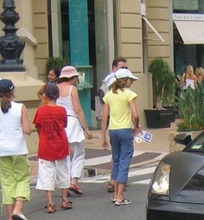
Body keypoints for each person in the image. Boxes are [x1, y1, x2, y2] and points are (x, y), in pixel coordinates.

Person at [0, 79, 33, 220]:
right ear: (12, 91)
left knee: (7, 183)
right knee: (23, 179)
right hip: (18, 149)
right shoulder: (20, 107)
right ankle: (18, 209)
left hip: (2, 151)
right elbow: (28, 130)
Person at [101, 68, 141, 206]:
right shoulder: (129, 94)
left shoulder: (109, 95)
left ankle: (115, 194)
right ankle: (120, 196)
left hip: (113, 130)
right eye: (131, 80)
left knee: (116, 161)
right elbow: (135, 114)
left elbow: (104, 117)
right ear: (126, 81)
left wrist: (103, 137)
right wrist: (137, 126)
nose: (132, 82)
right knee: (125, 161)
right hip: (125, 130)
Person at [34, 84, 72, 213]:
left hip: (46, 144)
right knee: (64, 171)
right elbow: (64, 125)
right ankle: (64, 199)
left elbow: (38, 127)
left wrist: (42, 137)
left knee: (46, 173)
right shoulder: (62, 110)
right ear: (58, 96)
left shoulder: (41, 110)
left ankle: (50, 203)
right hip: (61, 143)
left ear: (45, 95)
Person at [56, 65, 92, 195]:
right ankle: (74, 181)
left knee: (63, 155)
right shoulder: (72, 89)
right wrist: (86, 128)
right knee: (78, 153)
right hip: (71, 121)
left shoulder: (55, 88)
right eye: (76, 77)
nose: (77, 79)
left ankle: (63, 184)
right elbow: (78, 109)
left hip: (59, 123)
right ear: (72, 77)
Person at [97, 57, 127, 194]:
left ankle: (114, 181)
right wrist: (103, 134)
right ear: (114, 68)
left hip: (119, 124)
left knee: (117, 155)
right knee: (120, 155)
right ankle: (115, 182)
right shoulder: (110, 82)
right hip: (115, 123)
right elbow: (104, 105)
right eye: (122, 68)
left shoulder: (124, 83)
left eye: (126, 68)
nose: (125, 70)